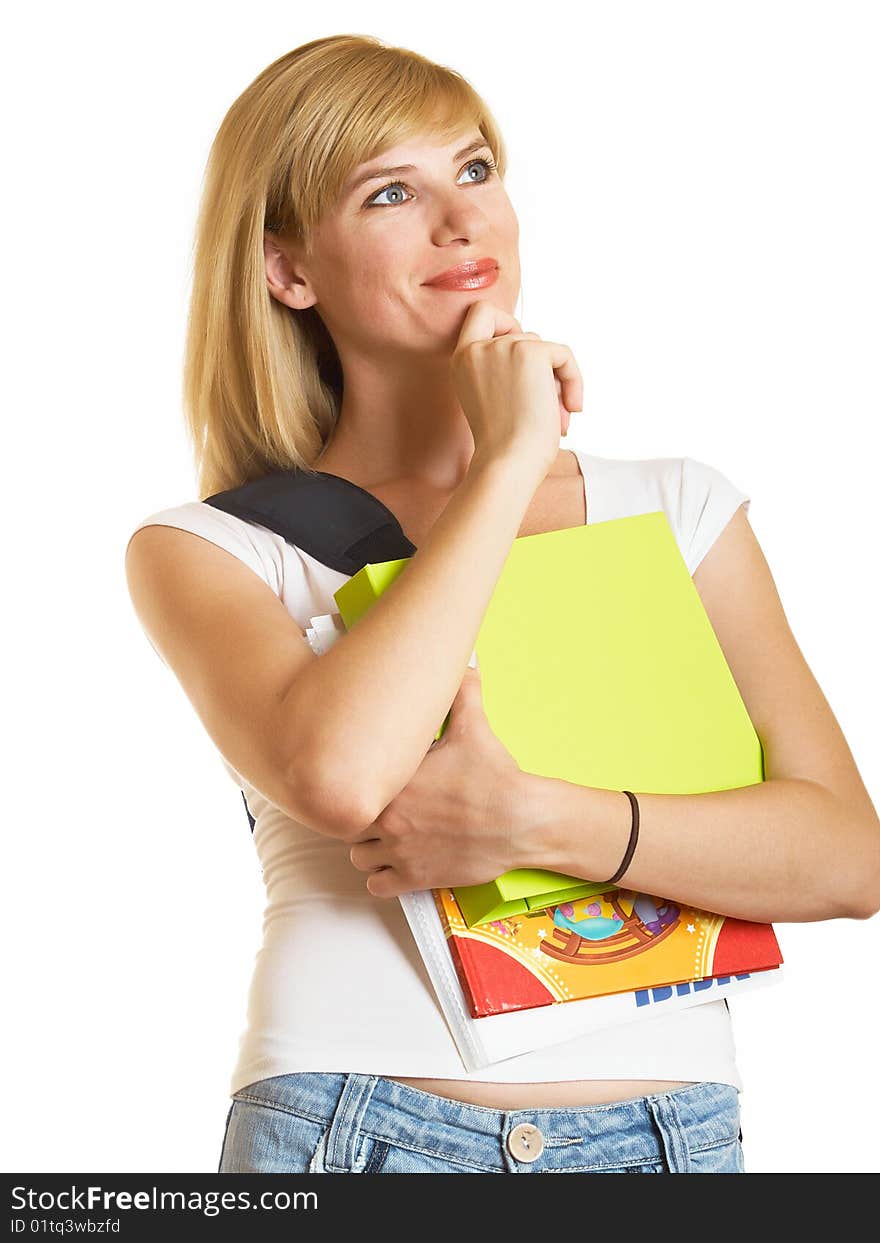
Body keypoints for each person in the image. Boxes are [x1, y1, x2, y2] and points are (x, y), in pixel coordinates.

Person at [124, 34, 880, 1175]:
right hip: (352, 1124)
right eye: (391, 191)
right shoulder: (216, 547)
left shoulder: (676, 508)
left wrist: (537, 823)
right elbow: (339, 774)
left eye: (474, 171)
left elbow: (843, 858)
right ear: (288, 270)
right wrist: (506, 463)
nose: (460, 221)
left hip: (666, 1133)